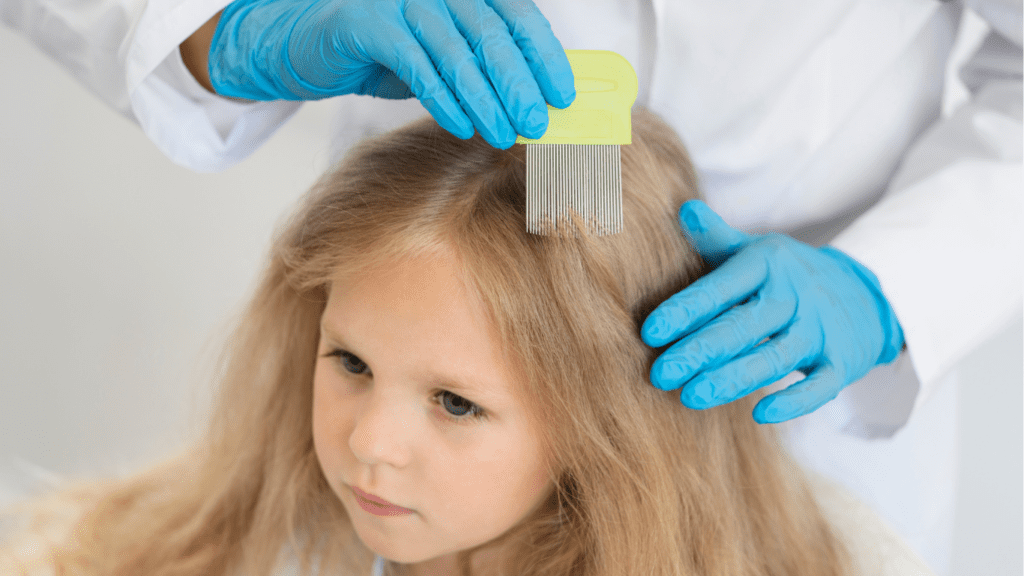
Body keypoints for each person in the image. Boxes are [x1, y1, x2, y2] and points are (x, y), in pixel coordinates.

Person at [2, 0, 1021, 572]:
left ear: (599, 430)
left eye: (455, 401)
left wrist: (897, 285)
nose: (366, 443)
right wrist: (212, 26)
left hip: (799, 371)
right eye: (348, 363)